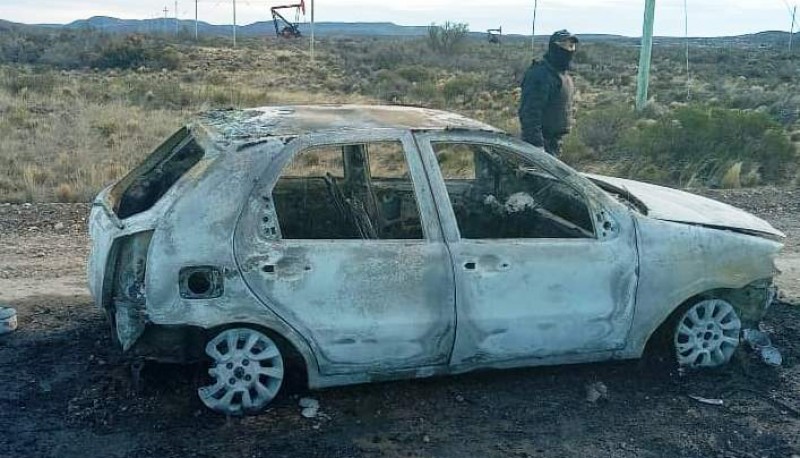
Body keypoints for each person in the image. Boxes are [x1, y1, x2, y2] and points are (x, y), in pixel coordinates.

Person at [518, 30, 579, 157]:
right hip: (540, 144)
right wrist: (536, 145)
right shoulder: (541, 74)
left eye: (571, 46)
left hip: (554, 143)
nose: (569, 49)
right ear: (554, 47)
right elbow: (530, 112)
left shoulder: (562, 74)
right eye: (564, 45)